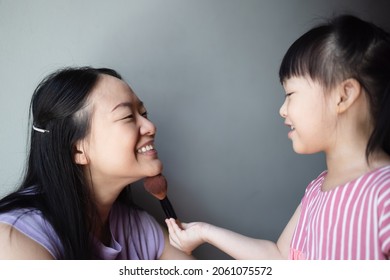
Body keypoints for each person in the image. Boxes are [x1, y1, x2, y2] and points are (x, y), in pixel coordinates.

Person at [165, 14, 390, 260]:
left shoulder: (383, 195)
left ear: (343, 96)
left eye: (291, 93)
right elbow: (280, 259)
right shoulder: (317, 189)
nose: (282, 109)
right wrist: (203, 231)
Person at [0, 66, 193, 260]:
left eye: (143, 114)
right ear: (77, 149)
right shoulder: (13, 239)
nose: (151, 127)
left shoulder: (136, 226)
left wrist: (207, 233)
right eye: (127, 116)